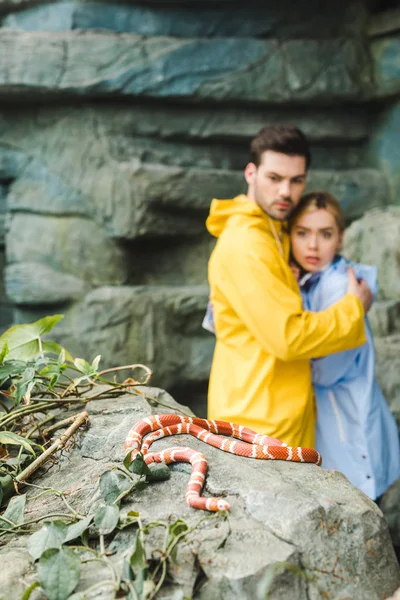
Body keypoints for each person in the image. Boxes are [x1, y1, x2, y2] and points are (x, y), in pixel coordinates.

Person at [205, 125, 372, 448]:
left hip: (278, 409)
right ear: (251, 173)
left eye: (297, 181)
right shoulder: (247, 243)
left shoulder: (274, 231)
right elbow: (289, 337)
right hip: (257, 421)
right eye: (274, 178)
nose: (286, 192)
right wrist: (354, 307)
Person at [288, 191, 400, 500]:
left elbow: (323, 371)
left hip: (347, 424)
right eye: (302, 233)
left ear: (340, 239)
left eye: (325, 234)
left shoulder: (341, 287)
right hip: (334, 421)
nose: (312, 245)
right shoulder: (308, 279)